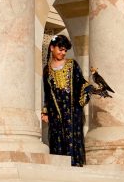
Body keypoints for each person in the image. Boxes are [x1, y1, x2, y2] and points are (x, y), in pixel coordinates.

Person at [41, 34, 98, 167]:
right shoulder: (46, 69)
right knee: (57, 137)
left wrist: (91, 89)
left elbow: (81, 83)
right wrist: (45, 112)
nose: (63, 53)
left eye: (65, 50)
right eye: (60, 49)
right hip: (55, 112)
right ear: (52, 48)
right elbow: (47, 92)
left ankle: (75, 166)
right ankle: (59, 168)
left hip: (72, 111)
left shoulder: (72, 65)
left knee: (72, 138)